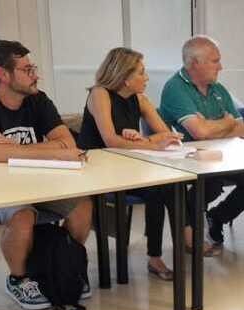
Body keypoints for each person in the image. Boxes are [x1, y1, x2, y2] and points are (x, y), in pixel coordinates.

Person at [0, 40, 93, 310]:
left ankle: (66, 262)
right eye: (27, 69)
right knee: (22, 215)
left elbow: (68, 144)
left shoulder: (37, 99)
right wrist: (51, 150)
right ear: (2, 74)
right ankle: (19, 279)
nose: (35, 75)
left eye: (34, 68)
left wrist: (16, 150)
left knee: (82, 206)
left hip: (38, 180)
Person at [159, 35, 244, 255]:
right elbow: (199, 133)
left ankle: (216, 218)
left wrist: (213, 126)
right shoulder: (175, 88)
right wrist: (225, 122)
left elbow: (240, 130)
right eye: (214, 61)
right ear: (194, 63)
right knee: (208, 185)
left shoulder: (218, 88)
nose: (221, 66)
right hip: (191, 163)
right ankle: (191, 235)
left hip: (225, 157)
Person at [78, 47, 184, 280]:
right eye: (141, 73)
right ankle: (156, 257)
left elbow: (169, 136)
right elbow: (110, 140)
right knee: (158, 188)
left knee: (168, 185)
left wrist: (143, 140)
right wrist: (151, 144)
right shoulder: (99, 94)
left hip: (128, 168)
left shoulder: (139, 99)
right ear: (125, 78)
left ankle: (167, 254)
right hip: (98, 171)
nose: (146, 78)